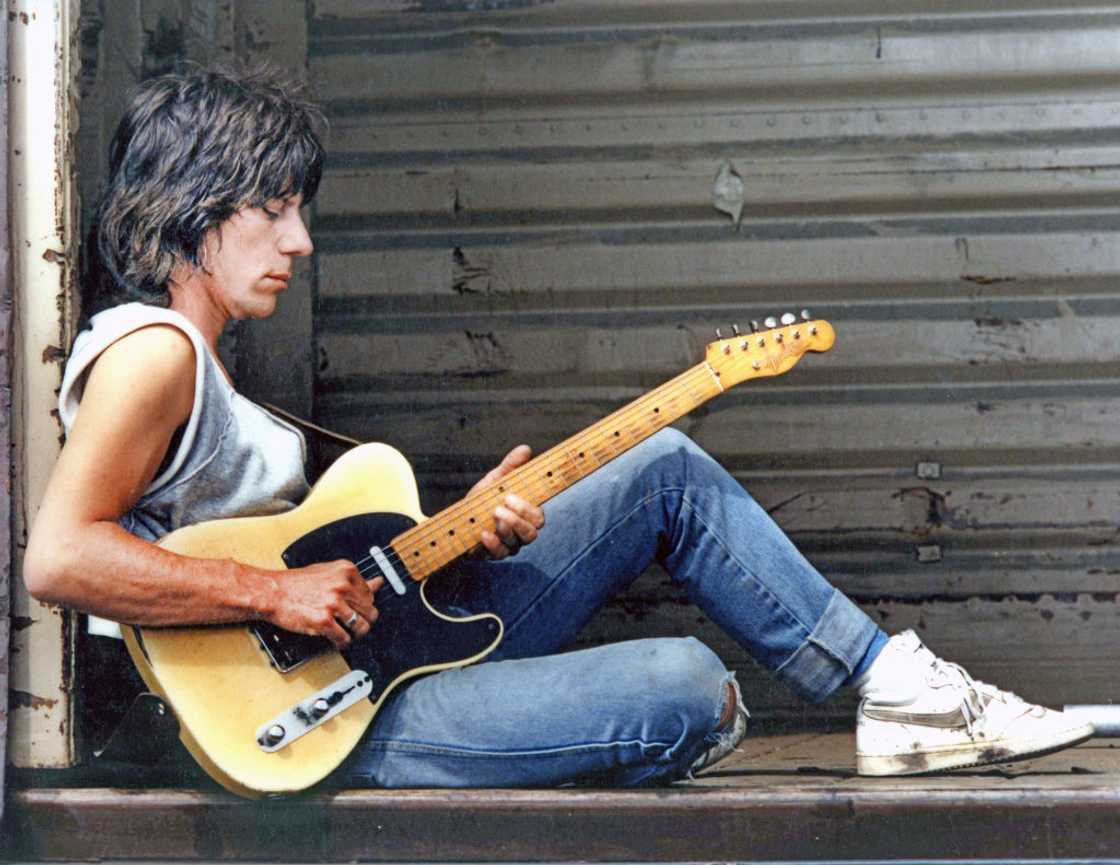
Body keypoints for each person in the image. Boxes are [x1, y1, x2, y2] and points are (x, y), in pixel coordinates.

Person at [23, 66, 1093, 788]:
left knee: (662, 464)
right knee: (682, 686)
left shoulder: (208, 367)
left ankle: (896, 689)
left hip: (372, 661)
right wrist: (276, 592)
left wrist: (456, 530)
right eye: (277, 207)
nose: (300, 240)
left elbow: (321, 571)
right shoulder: (155, 353)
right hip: (299, 728)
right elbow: (63, 558)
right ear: (203, 202)